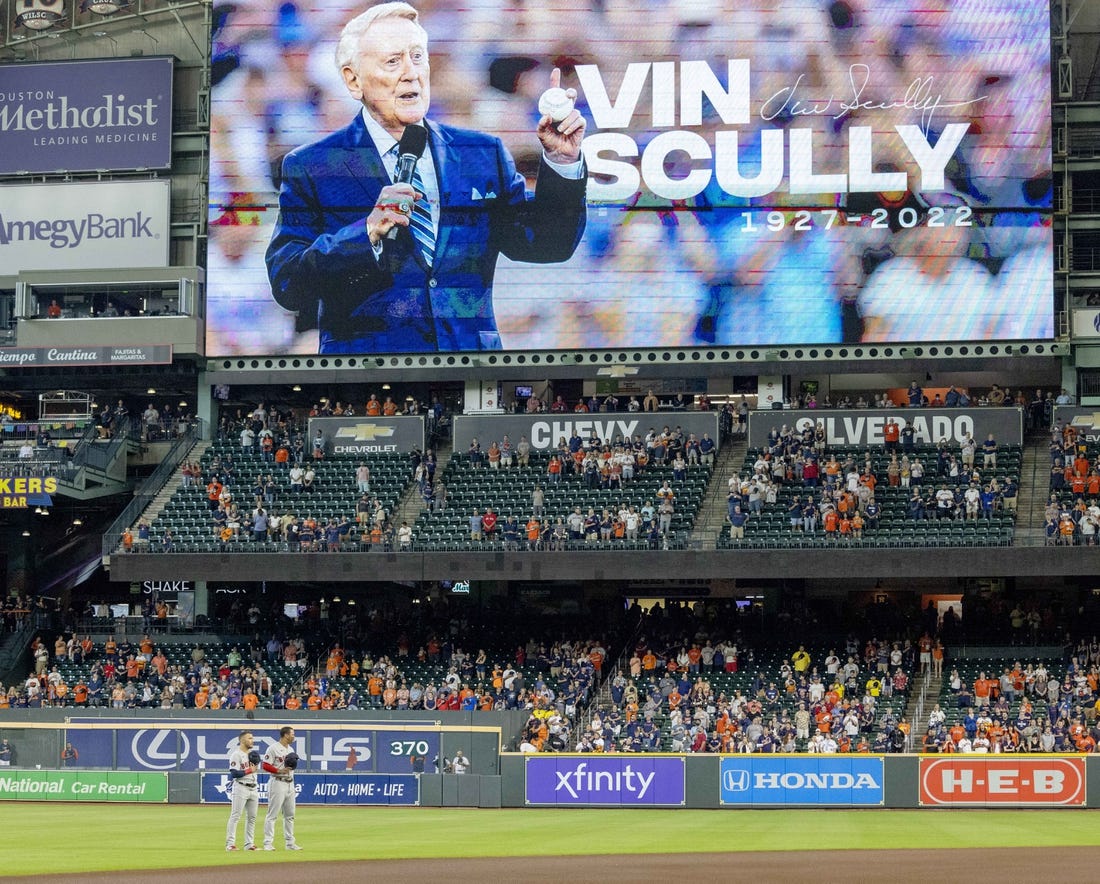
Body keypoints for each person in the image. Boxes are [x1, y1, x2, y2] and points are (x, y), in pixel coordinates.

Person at [266, 2, 588, 353]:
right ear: (353, 79)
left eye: (418, 57)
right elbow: (288, 283)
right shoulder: (312, 165)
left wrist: (561, 162)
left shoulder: (481, 153)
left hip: (470, 373)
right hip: (369, 383)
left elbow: (548, 243)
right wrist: (366, 234)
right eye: (392, 61)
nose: (410, 73)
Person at [261, 726, 301, 851]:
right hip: (277, 782)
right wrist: (279, 770)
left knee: (290, 815)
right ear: (286, 735)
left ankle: (290, 843)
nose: (293, 736)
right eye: (292, 734)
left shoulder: (290, 749)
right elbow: (265, 765)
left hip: (290, 783)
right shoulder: (273, 748)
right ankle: (268, 843)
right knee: (272, 815)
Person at [226, 730, 261, 852]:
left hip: (253, 787)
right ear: (242, 740)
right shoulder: (236, 754)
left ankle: (249, 844)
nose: (252, 740)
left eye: (252, 738)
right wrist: (248, 771)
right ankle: (230, 844)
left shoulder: (253, 755)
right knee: (235, 816)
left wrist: (252, 770)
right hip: (241, 786)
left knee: (252, 817)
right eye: (249, 738)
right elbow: (234, 773)